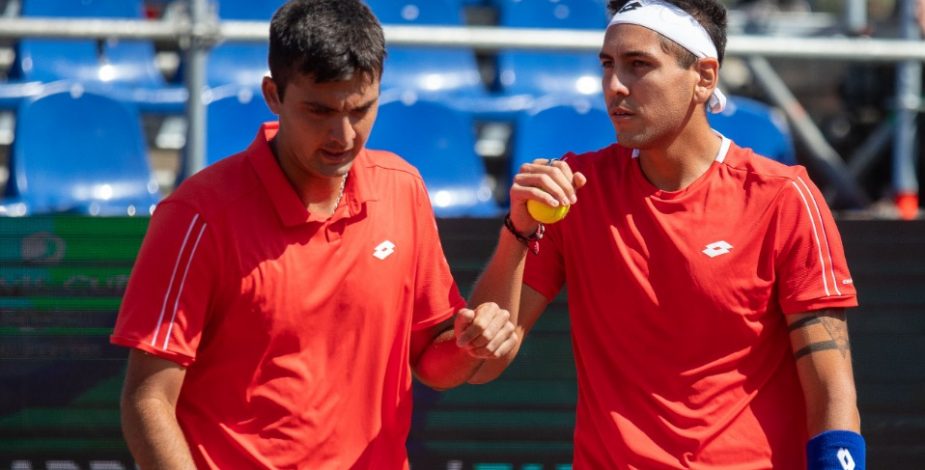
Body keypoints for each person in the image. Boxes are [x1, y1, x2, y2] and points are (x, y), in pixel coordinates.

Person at [110, 1, 527, 468]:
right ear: (273, 94)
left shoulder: (402, 187)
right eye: (318, 110)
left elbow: (431, 363)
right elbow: (147, 400)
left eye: (361, 109)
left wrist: (467, 345)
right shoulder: (197, 215)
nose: (342, 135)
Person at [470, 0, 866, 468]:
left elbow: (831, 385)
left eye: (639, 66)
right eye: (608, 65)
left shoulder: (783, 196)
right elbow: (480, 364)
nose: (615, 86)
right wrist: (517, 230)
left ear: (704, 77)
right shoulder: (574, 190)